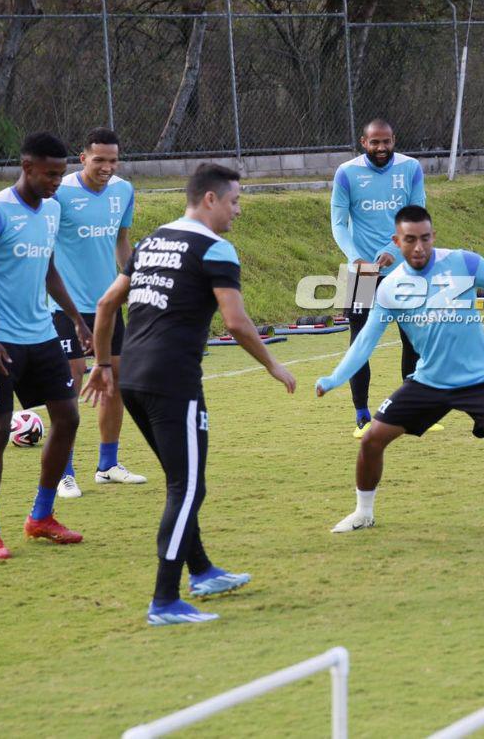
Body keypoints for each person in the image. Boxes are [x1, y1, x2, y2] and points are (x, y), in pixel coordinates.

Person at [83, 164, 296, 625]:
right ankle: (164, 600)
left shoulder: (153, 240)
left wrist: (102, 365)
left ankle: (201, 571)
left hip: (133, 378)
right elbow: (236, 322)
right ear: (211, 200)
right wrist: (274, 364)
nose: (238, 211)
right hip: (173, 382)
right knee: (189, 486)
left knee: (179, 481)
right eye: (235, 201)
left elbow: (105, 305)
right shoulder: (216, 249)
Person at [315, 204, 484, 533]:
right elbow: (364, 342)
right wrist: (334, 378)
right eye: (410, 240)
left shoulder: (463, 262)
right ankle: (364, 512)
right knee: (371, 440)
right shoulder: (390, 289)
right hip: (429, 382)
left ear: (434, 236)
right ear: (397, 241)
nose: (419, 247)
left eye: (425, 238)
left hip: (479, 379)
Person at [0, 132, 91, 561]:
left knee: (68, 417)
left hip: (42, 336)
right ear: (27, 167)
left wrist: (75, 318)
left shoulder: (52, 210)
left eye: (61, 174)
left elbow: (50, 270)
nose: (57, 181)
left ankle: (41, 516)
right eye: (50, 174)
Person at [51, 127, 145, 499]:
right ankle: (64, 471)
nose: (107, 167)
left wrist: (132, 285)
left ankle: (107, 465)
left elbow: (122, 241)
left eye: (113, 160)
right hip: (63, 307)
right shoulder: (59, 194)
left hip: (107, 306)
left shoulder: (123, 191)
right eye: (99, 160)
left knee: (114, 381)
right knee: (70, 384)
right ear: (82, 158)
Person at [331, 119, 431, 439]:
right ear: (364, 142)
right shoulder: (346, 173)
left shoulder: (411, 168)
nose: (381, 148)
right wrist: (355, 258)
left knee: (413, 339)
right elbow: (338, 224)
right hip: (361, 272)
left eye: (386, 142)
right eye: (374, 142)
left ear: (394, 140)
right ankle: (362, 416)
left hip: (405, 268)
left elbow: (417, 214)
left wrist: (394, 248)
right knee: (360, 342)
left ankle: (411, 414)